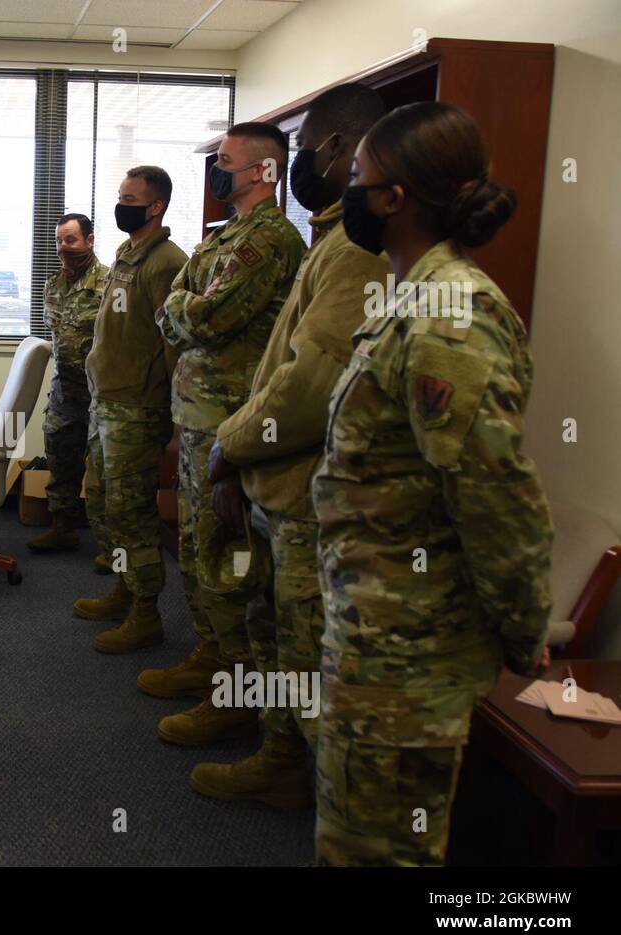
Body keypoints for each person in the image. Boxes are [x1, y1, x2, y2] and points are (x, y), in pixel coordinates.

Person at [312, 101, 553, 865]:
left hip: (408, 654)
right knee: (358, 829)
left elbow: (496, 495)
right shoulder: (413, 297)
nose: (343, 192)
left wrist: (525, 628)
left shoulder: (453, 315)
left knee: (377, 849)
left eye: (356, 177)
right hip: (378, 630)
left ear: (395, 197)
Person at [186, 85, 390, 809]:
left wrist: (229, 446)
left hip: (303, 491)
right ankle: (277, 757)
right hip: (273, 479)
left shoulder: (356, 252)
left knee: (304, 659)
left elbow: (308, 383)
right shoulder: (329, 238)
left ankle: (328, 806)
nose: (300, 162)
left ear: (337, 152)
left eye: (305, 149)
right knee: (269, 628)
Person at [142, 123, 306, 748]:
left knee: (229, 561)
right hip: (198, 418)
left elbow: (203, 316)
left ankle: (235, 697)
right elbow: (181, 306)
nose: (217, 170)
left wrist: (184, 308)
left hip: (233, 427)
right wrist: (185, 308)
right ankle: (211, 660)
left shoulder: (269, 239)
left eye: (227, 161)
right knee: (196, 546)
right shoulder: (226, 236)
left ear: (264, 171)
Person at [75, 166, 187, 653]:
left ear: (156, 205)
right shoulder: (127, 254)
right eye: (120, 195)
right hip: (108, 402)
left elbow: (175, 345)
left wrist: (176, 419)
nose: (121, 204)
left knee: (132, 512)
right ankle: (125, 587)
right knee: (102, 505)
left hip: (138, 409)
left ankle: (146, 614)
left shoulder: (167, 263)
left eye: (130, 197)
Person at [29, 214, 110, 552]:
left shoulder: (110, 284)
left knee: (102, 473)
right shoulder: (53, 286)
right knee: (60, 458)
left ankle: (110, 547)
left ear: (89, 241)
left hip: (100, 392)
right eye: (60, 241)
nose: (64, 248)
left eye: (71, 240)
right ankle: (62, 528)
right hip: (66, 391)